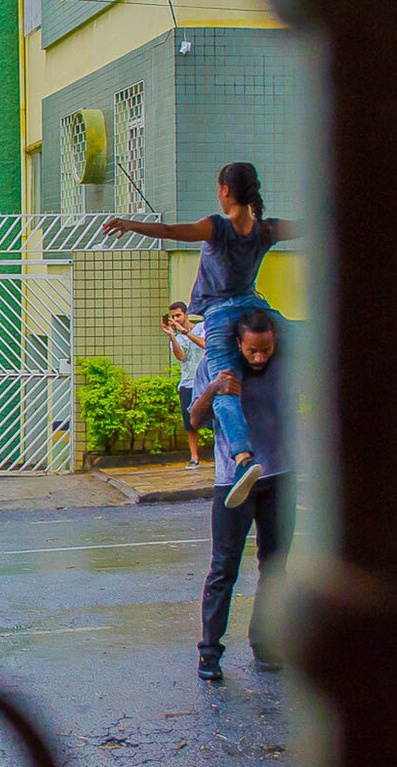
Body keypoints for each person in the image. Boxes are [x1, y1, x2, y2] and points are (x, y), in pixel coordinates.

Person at [103, 162, 297, 508]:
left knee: (224, 385)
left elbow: (172, 231)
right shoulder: (266, 229)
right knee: (306, 336)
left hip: (222, 314)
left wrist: (130, 223)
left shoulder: (217, 228)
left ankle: (242, 460)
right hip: (256, 308)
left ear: (225, 190)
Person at [189, 310, 296, 682]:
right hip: (233, 482)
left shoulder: (287, 363)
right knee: (224, 568)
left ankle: (265, 645)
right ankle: (209, 653)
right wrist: (213, 388)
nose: (261, 357)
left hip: (280, 476)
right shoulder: (217, 364)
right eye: (253, 350)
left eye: (267, 349)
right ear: (238, 343)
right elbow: (194, 420)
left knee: (275, 568)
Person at [163, 301, 206, 468]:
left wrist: (186, 332)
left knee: (215, 419)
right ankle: (194, 457)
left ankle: (221, 455)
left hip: (206, 380)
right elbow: (181, 357)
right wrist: (172, 335)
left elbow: (204, 344)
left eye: (178, 315)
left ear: (186, 314)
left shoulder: (202, 327)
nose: (175, 319)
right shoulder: (177, 337)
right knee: (190, 423)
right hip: (188, 383)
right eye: (172, 317)